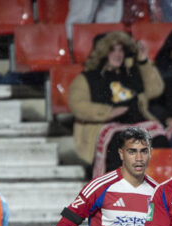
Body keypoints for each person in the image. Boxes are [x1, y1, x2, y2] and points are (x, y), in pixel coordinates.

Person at [67, 31, 163, 175]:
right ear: (102, 53)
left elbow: (156, 89)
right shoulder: (87, 78)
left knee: (161, 140)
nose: (118, 54)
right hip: (104, 127)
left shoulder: (130, 74)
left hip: (136, 124)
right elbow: (77, 105)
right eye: (112, 50)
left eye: (120, 50)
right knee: (120, 144)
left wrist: (143, 61)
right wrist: (108, 112)